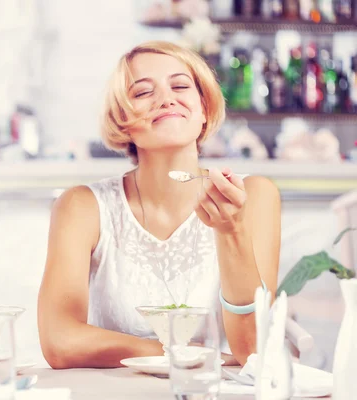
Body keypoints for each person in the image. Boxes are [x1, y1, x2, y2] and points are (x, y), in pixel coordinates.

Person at [37, 41, 280, 369]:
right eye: (142, 93)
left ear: (204, 110)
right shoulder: (81, 206)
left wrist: (231, 231)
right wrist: (186, 357)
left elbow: (252, 351)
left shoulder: (254, 195)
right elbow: (59, 342)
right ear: (122, 121)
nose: (167, 99)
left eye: (180, 86)